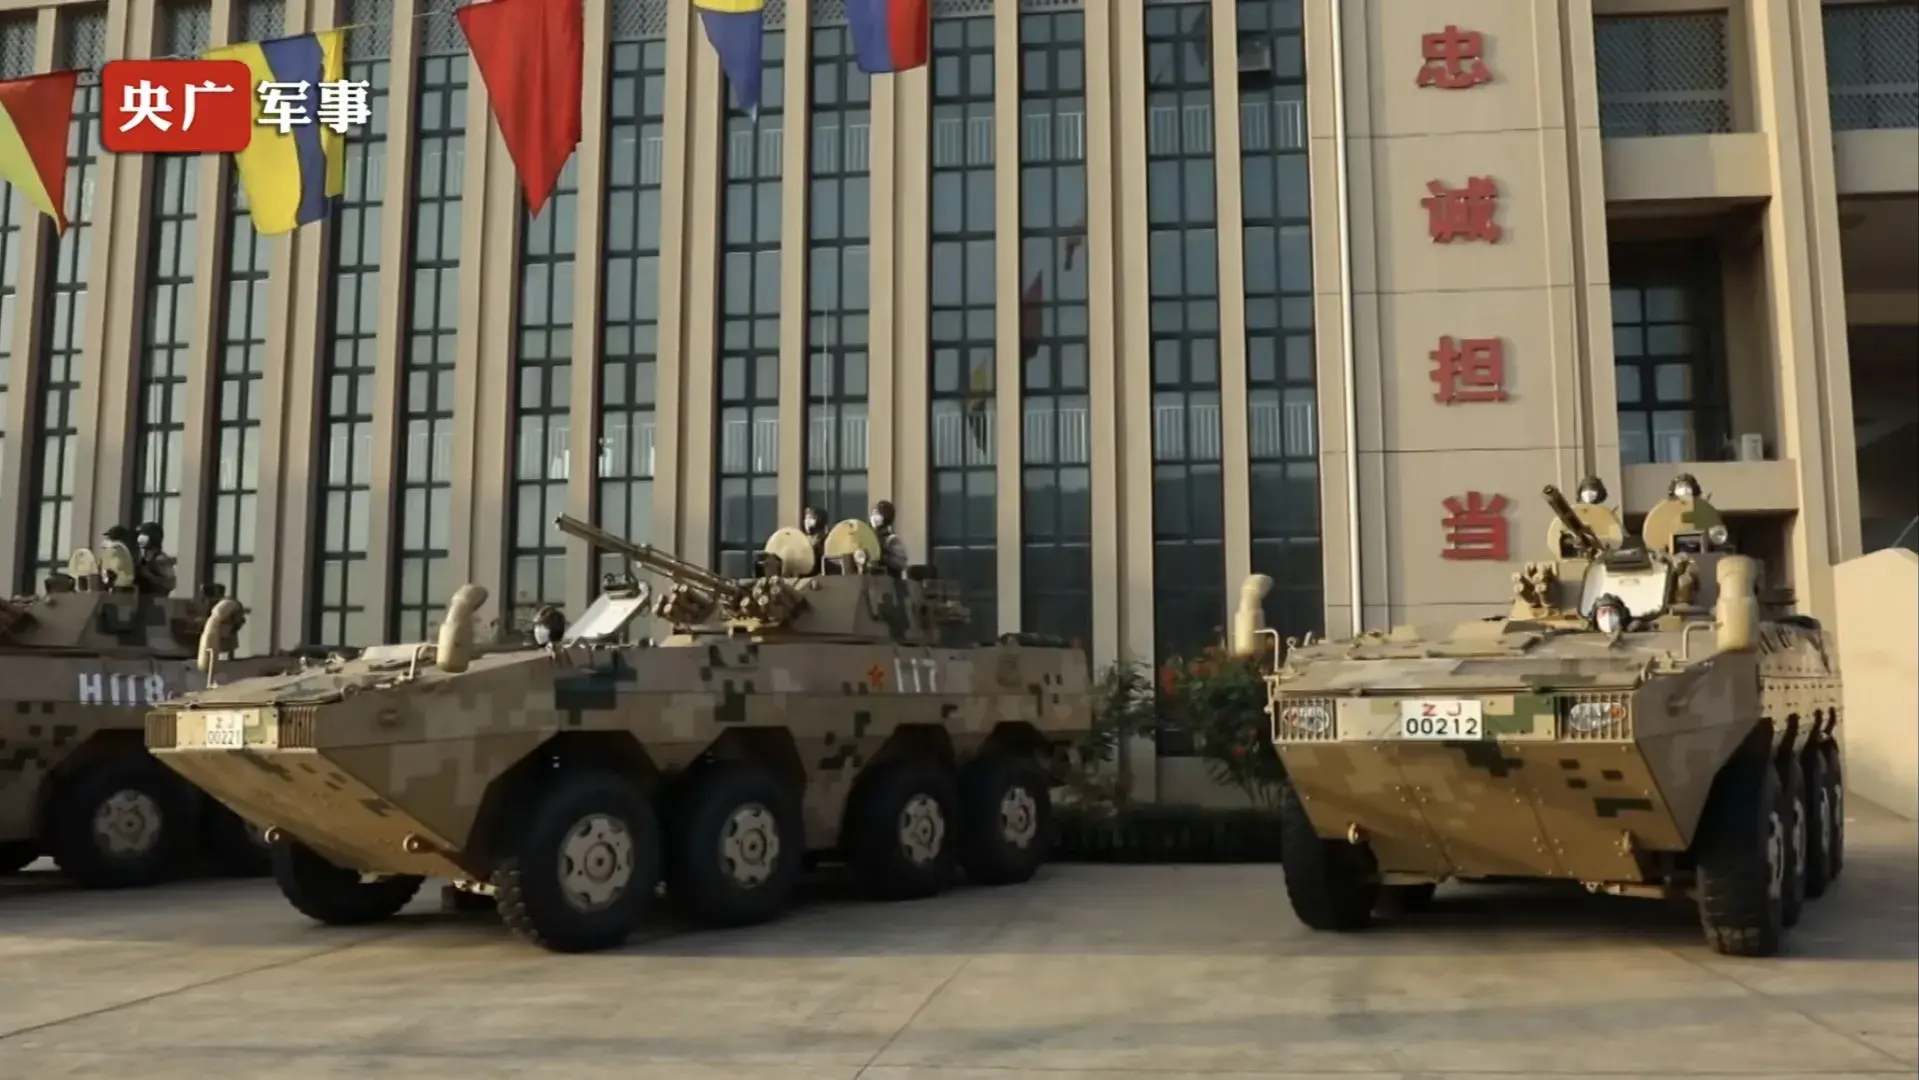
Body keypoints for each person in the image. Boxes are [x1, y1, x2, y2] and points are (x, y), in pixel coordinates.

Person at [134, 520, 178, 596]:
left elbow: (170, 583)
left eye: (143, 534)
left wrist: (148, 575)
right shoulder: (144, 558)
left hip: (156, 601)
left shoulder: (160, 559)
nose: (139, 538)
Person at [869, 500, 910, 572]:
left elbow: (901, 563)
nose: (873, 516)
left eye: (877, 513)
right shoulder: (869, 536)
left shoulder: (892, 539)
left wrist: (883, 557)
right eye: (873, 513)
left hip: (888, 576)